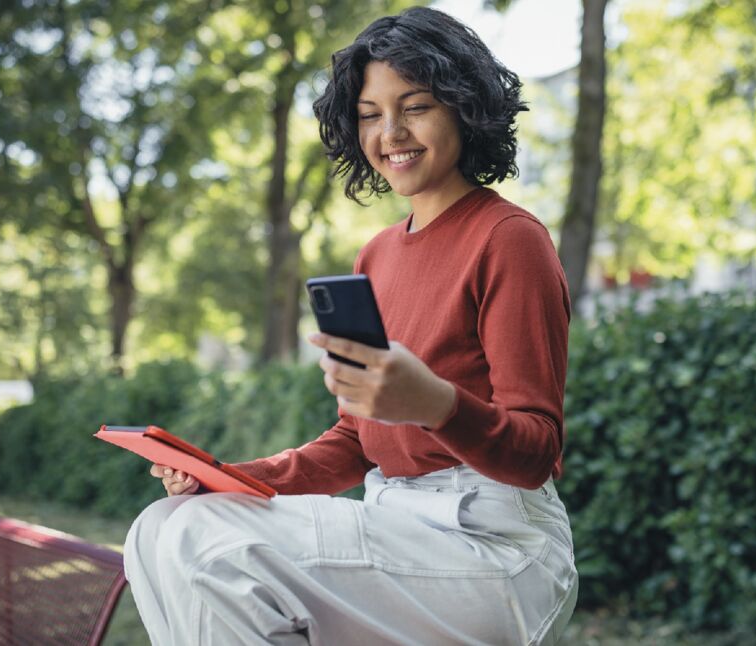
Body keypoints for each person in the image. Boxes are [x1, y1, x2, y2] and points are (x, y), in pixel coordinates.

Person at [123, 7, 576, 644]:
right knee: (165, 522)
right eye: (369, 114)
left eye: (415, 106)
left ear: (463, 106)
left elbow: (535, 453)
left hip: (494, 543)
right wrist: (228, 477)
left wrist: (437, 404)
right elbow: (358, 442)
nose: (391, 132)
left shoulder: (510, 239)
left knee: (205, 543)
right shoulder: (377, 255)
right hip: (396, 522)